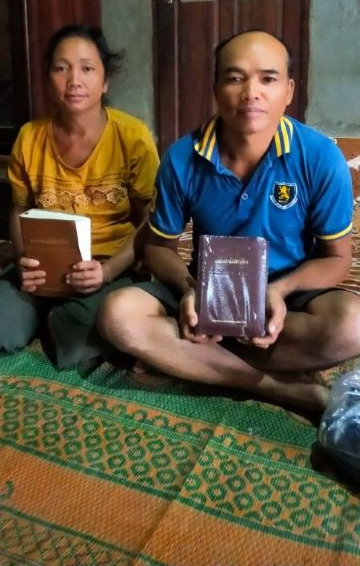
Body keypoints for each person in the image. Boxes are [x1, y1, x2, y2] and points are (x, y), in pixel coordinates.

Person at [98, 30, 360, 411]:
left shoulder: (320, 158)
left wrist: (281, 291)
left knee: (353, 325)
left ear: (288, 91)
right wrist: (190, 289)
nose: (251, 92)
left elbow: (337, 259)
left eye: (267, 79)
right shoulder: (182, 158)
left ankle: (193, 358)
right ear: (216, 89)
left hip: (289, 296)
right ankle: (278, 387)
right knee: (117, 314)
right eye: (235, 78)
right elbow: (158, 248)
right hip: (206, 294)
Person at [0, 24, 159, 368]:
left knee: (74, 326)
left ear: (104, 82)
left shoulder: (132, 136)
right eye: (61, 68)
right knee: (3, 326)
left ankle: (60, 320)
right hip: (43, 268)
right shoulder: (29, 137)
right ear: (48, 78)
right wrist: (26, 260)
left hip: (107, 265)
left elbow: (151, 219)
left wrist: (107, 270)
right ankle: (41, 315)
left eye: (87, 68)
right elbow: (20, 209)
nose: (74, 80)